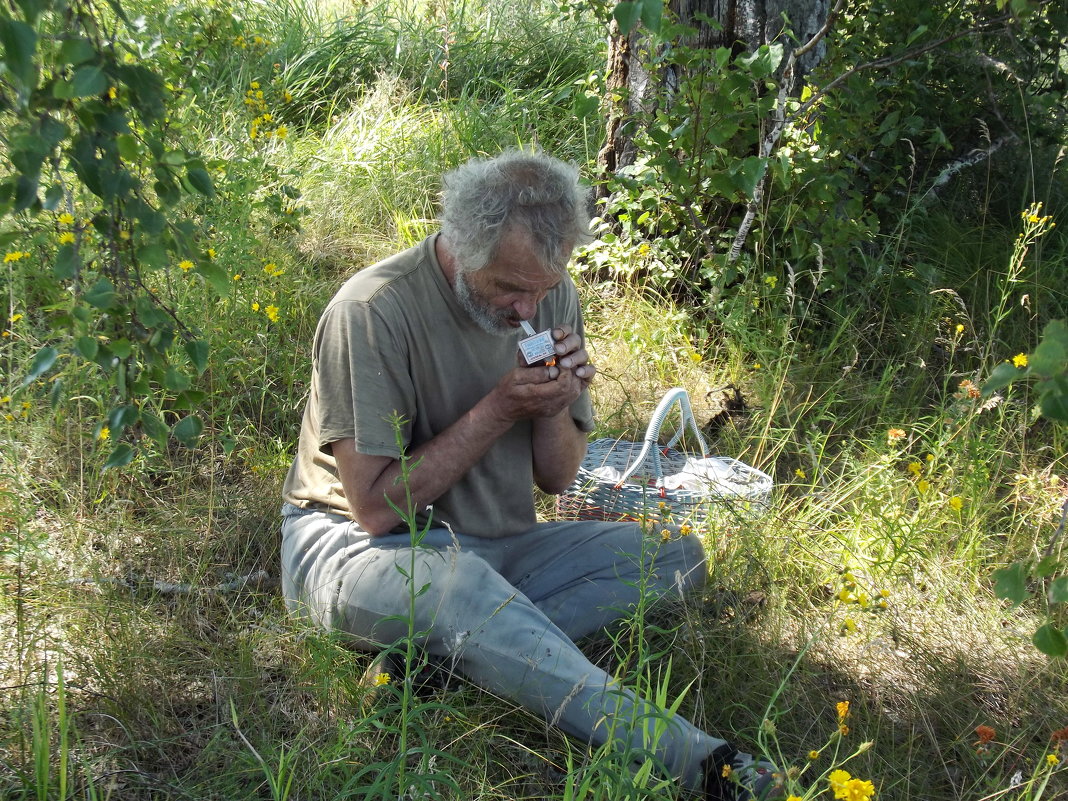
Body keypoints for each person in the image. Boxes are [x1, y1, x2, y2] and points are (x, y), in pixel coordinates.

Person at [279, 148, 779, 800]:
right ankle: (701, 762)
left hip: (495, 546)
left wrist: (551, 404)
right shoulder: (372, 311)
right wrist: (500, 407)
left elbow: (559, 478)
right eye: (510, 289)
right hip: (353, 548)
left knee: (676, 557)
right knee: (461, 589)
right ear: (460, 245)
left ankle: (437, 663)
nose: (527, 311)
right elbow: (376, 507)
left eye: (542, 290)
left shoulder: (549, 292)